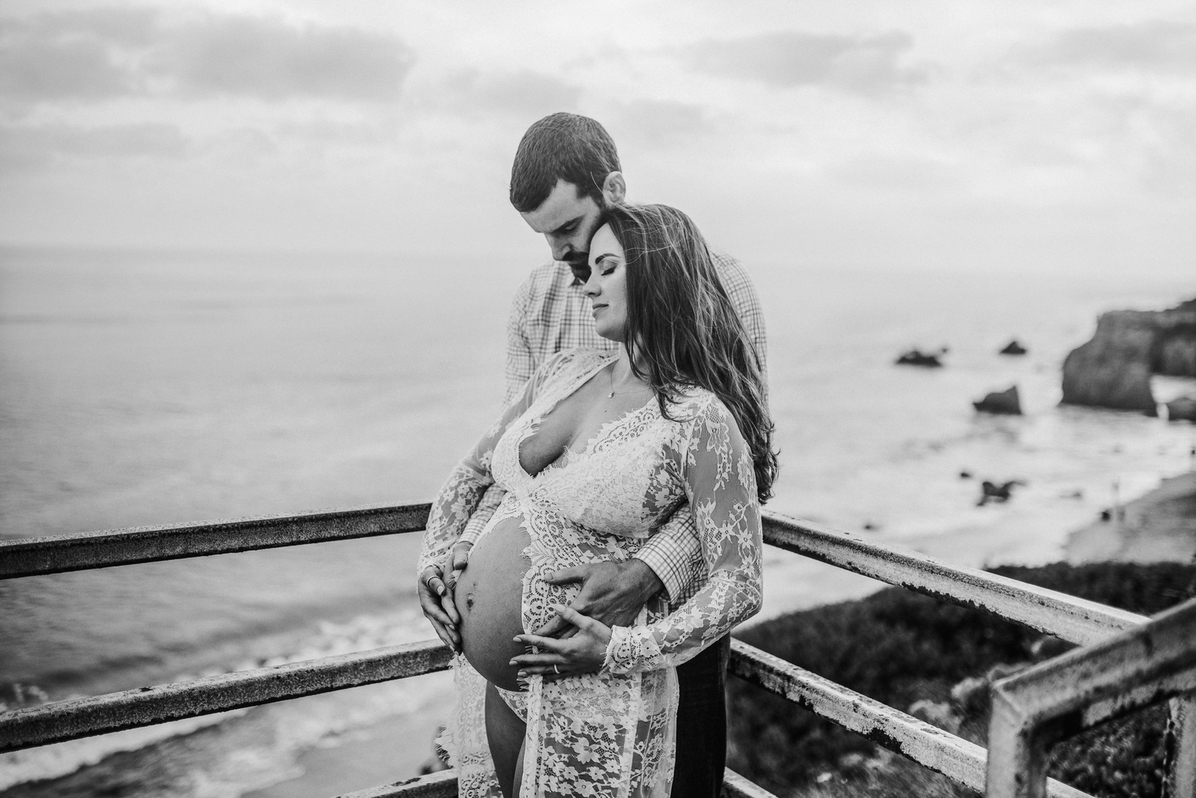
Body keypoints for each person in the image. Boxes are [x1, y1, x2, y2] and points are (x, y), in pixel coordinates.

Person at [417, 112, 767, 798]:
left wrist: (646, 570)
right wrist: (456, 549)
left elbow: (740, 473)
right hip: (521, 677)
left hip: (660, 627)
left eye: (567, 229)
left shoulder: (719, 285)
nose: (559, 258)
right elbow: (511, 473)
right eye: (541, 235)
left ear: (612, 187)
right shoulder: (540, 305)